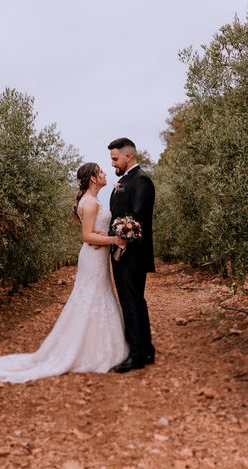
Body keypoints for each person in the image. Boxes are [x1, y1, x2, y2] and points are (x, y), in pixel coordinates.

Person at [0, 163, 128, 383]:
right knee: (91, 297)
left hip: (97, 257)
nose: (105, 174)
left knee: (98, 295)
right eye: (101, 172)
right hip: (93, 256)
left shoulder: (94, 200)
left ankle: (98, 345)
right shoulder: (89, 203)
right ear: (92, 178)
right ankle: (88, 351)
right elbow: (87, 237)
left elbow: (94, 231)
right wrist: (112, 239)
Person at [108, 137, 156, 373]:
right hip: (123, 253)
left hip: (132, 255)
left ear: (129, 156)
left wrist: (119, 241)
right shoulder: (126, 180)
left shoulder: (142, 181)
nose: (113, 164)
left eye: (115, 159)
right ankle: (146, 350)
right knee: (134, 301)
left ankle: (137, 355)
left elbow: (135, 219)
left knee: (132, 302)